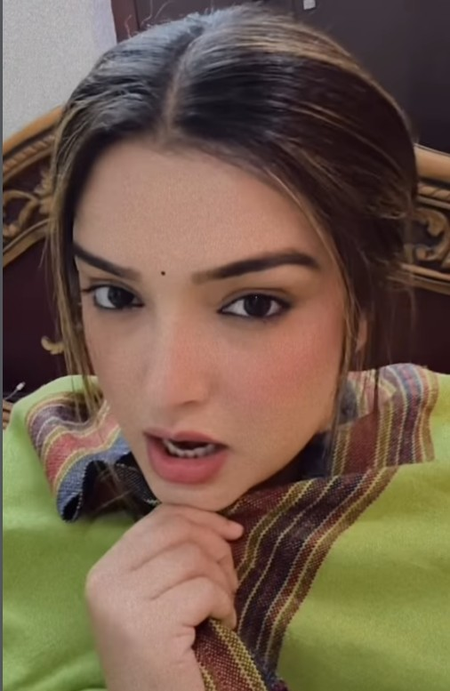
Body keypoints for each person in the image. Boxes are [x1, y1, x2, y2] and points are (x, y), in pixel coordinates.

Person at [3, 4, 450, 691]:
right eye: (116, 296)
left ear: (361, 304)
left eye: (253, 304)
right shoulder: (20, 472)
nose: (165, 389)